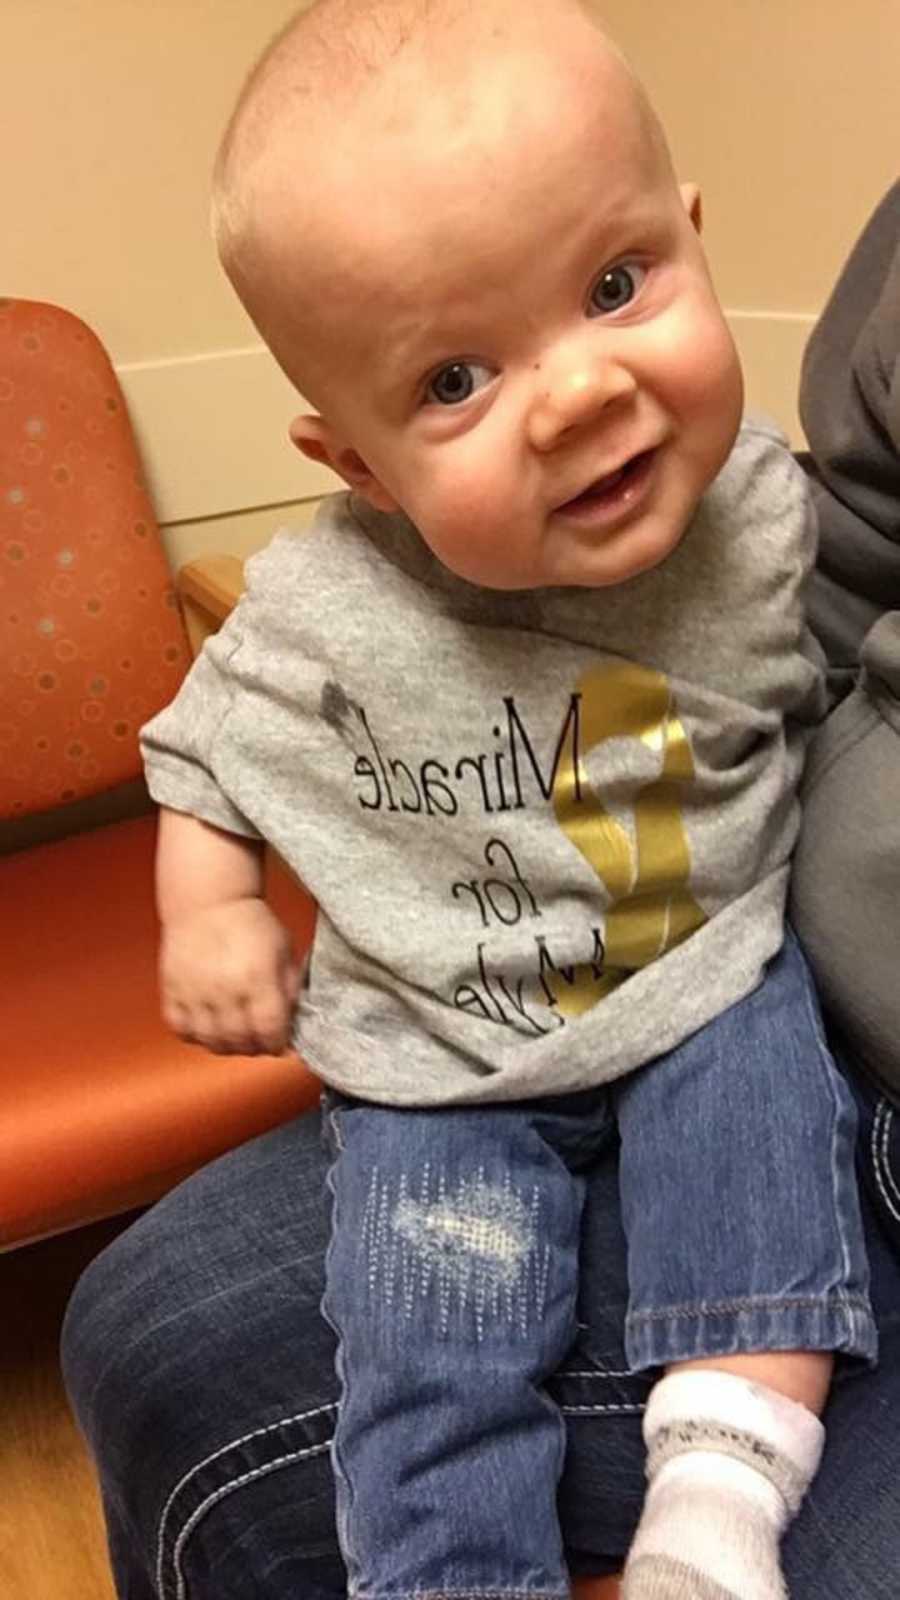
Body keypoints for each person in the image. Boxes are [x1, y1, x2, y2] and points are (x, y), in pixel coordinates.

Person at [60, 12, 900, 1600]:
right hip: (442, 1051)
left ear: (695, 237)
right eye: (454, 379)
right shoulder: (321, 610)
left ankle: (712, 1526)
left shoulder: (766, 511)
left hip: (708, 969)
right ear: (359, 464)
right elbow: (199, 748)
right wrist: (211, 905)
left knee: (765, 1172)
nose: (579, 393)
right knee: (426, 1334)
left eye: (613, 287)